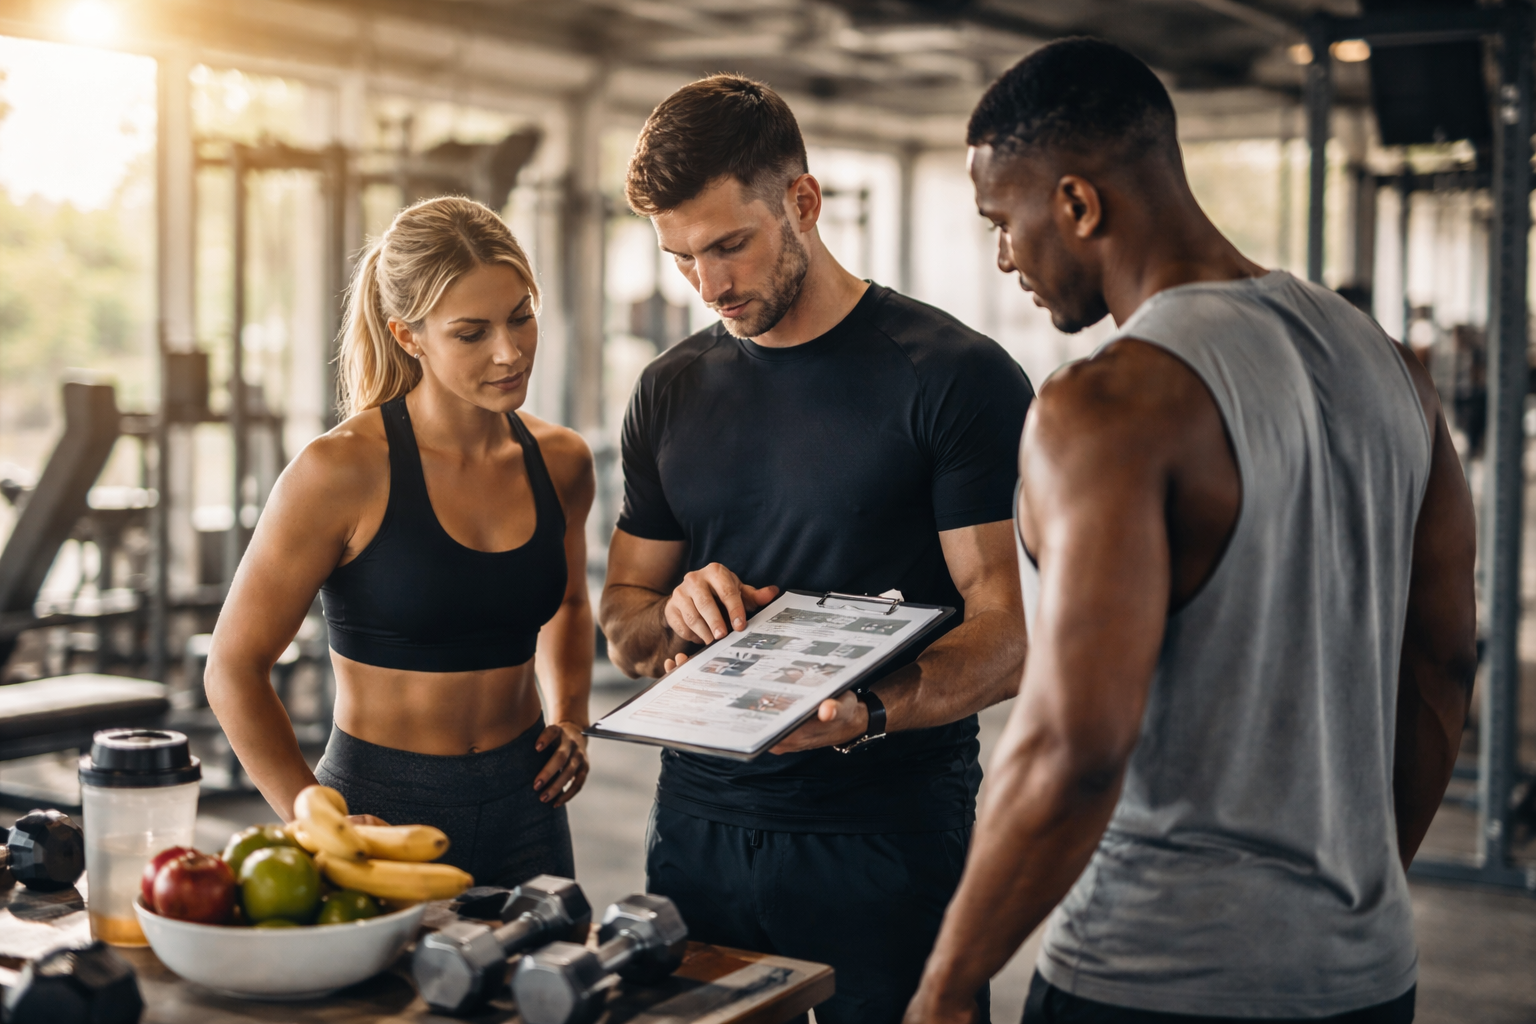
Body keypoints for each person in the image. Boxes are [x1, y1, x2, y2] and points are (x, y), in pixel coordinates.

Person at [903, 38, 1477, 1024]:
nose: (1003, 255)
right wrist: (1352, 893)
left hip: (1150, 977)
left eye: (1003, 221)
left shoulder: (1105, 406)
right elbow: (1443, 665)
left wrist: (949, 987)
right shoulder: (1392, 368)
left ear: (1078, 204)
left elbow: (1072, 747)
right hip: (1369, 975)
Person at [599, 74, 1035, 1024]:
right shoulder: (668, 389)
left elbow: (1004, 635)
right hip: (701, 826)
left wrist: (867, 712)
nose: (711, 287)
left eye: (730, 246)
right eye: (681, 260)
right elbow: (624, 621)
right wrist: (669, 612)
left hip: (885, 831)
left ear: (801, 202)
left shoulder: (956, 378)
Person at [205, 196, 595, 888]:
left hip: (527, 802)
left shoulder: (562, 461)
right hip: (380, 811)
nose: (510, 352)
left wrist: (570, 715)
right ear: (408, 336)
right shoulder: (339, 472)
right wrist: (312, 813)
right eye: (471, 333)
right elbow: (233, 667)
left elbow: (567, 601)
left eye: (521, 317)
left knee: (551, 993)